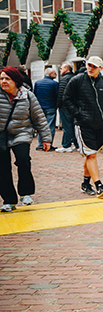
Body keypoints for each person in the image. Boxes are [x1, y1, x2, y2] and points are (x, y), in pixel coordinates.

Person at [63, 56, 103, 198]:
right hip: (83, 123)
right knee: (91, 154)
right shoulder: (77, 80)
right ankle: (99, 184)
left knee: (91, 154)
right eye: (89, 65)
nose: (90, 68)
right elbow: (66, 98)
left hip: (100, 123)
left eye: (94, 66)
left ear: (100, 68)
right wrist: (77, 114)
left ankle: (85, 183)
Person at [0, 67, 51, 211]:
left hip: (21, 132)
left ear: (16, 81)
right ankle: (8, 200)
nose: (3, 81)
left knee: (23, 159)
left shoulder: (27, 96)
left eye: (7, 79)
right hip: (1, 134)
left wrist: (46, 138)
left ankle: (25, 193)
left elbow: (39, 117)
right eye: (1, 78)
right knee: (2, 167)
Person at [33, 67, 59, 151]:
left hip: (40, 107)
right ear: (50, 74)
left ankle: (41, 144)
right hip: (50, 106)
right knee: (50, 126)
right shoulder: (54, 84)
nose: (56, 75)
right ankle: (48, 144)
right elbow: (57, 95)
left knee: (41, 126)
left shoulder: (37, 83)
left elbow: (34, 95)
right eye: (55, 73)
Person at [56, 62, 77, 152]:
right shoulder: (75, 78)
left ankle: (66, 145)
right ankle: (77, 144)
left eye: (61, 68)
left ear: (66, 69)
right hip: (74, 105)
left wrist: (58, 105)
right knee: (73, 124)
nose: (60, 70)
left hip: (65, 106)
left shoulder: (64, 79)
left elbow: (61, 93)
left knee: (67, 125)